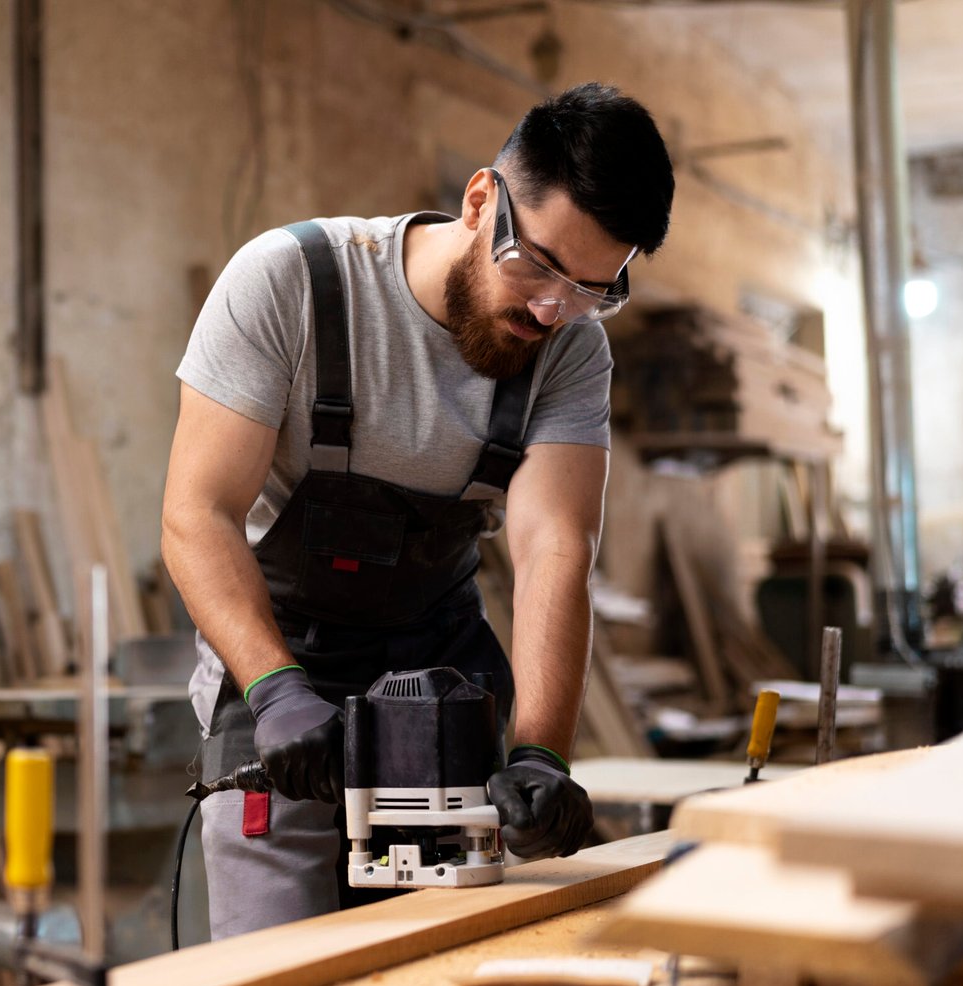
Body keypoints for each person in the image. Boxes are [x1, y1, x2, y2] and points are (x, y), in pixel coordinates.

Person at [161, 82, 675, 940]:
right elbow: (197, 513)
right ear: (482, 201)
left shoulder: (570, 349)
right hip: (279, 670)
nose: (552, 310)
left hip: (437, 685)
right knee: (269, 968)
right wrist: (277, 689)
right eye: (539, 266)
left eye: (592, 289)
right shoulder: (293, 283)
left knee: (443, 963)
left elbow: (555, 548)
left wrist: (542, 752)